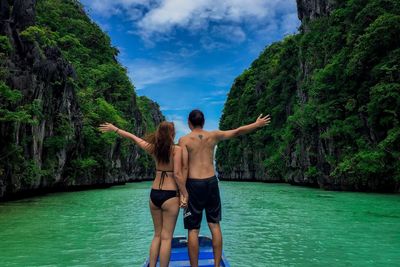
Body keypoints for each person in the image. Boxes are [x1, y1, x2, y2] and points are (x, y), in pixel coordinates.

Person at [178, 110, 270, 267]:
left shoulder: (184, 140)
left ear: (189, 122)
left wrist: (182, 193)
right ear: (204, 122)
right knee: (214, 225)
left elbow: (183, 167)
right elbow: (238, 131)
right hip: (211, 182)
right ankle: (216, 265)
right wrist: (257, 124)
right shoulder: (213, 135)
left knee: (193, 229)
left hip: (194, 184)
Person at [99, 122, 189, 267]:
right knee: (166, 238)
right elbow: (178, 175)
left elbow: (134, 138)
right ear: (172, 134)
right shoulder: (176, 150)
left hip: (154, 195)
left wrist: (114, 129)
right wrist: (185, 194)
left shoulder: (154, 149)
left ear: (159, 133)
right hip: (170, 194)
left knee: (157, 236)